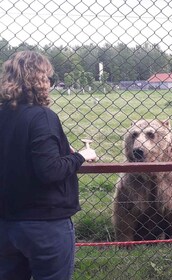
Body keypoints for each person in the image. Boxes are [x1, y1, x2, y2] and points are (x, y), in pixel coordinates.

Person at [0, 51, 97, 280]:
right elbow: (49, 170)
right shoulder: (42, 116)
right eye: (49, 78)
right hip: (44, 224)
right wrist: (80, 157)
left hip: (7, 223)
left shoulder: (3, 115)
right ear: (41, 80)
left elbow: (18, 152)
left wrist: (63, 152)